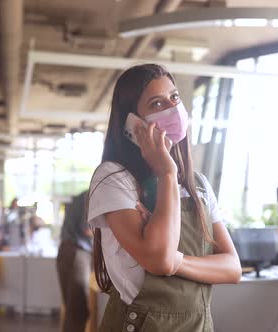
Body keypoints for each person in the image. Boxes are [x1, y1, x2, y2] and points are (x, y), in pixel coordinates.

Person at [88, 64, 242, 331]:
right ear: (132, 123)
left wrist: (177, 261)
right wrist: (167, 174)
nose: (172, 109)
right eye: (157, 103)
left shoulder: (199, 185)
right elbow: (159, 260)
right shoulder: (114, 178)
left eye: (174, 98)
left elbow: (232, 268)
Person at [56, 191, 93, 332]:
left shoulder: (83, 195)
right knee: (78, 309)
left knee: (74, 309)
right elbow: (87, 229)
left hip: (72, 251)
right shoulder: (90, 196)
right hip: (76, 252)